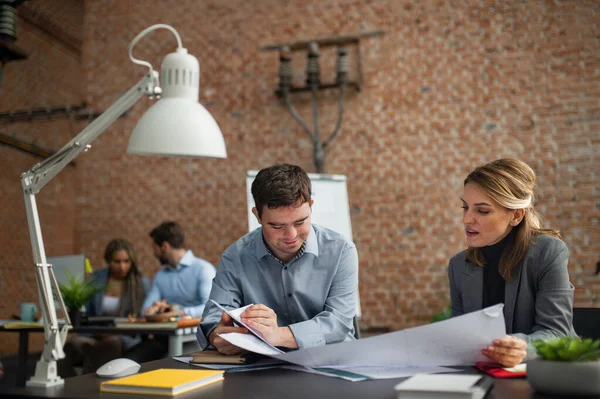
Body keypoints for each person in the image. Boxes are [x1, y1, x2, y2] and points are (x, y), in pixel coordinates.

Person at [197, 164, 359, 354]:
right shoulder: (235, 257)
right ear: (257, 215)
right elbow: (213, 318)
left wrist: (279, 335)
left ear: (311, 206)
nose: (291, 235)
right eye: (276, 226)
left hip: (333, 363)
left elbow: (338, 324)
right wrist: (218, 334)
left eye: (300, 222)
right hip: (262, 368)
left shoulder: (341, 251)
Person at [448, 158, 576, 367]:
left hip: (545, 372)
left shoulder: (548, 252)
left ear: (516, 215)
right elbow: (459, 335)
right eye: (465, 207)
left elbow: (557, 332)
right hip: (483, 375)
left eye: (482, 210)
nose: (466, 219)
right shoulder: (458, 265)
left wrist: (522, 347)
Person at [59, 239, 150, 376]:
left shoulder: (140, 283)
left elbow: (143, 318)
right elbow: (86, 312)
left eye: (126, 261)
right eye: (117, 261)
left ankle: (90, 385)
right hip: (95, 332)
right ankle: (65, 384)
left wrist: (115, 331)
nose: (122, 267)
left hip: (123, 336)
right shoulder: (96, 278)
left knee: (109, 345)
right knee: (73, 345)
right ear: (108, 260)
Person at [142, 221, 216, 318]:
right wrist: (154, 309)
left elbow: (212, 309)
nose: (154, 254)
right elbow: (145, 310)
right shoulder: (160, 275)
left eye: (155, 248)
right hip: (166, 331)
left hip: (195, 331)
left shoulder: (203, 270)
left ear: (164, 247)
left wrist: (178, 312)